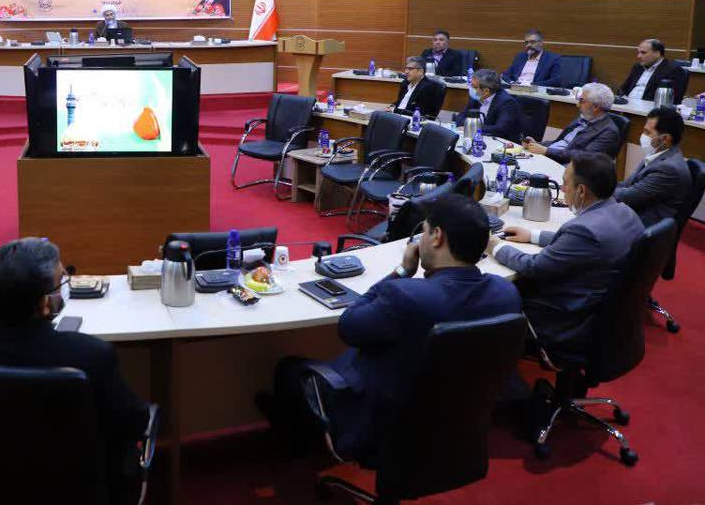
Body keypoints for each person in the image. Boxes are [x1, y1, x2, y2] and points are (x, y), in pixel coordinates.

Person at [264, 194, 521, 464]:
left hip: (381, 428)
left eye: (424, 231)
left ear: (437, 237)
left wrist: (402, 272)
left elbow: (348, 325)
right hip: (458, 426)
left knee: (289, 369)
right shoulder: (505, 293)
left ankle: (296, 451)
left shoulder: (406, 296)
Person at [0, 238, 151, 502]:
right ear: (45, 303)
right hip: (81, 489)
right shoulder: (90, 354)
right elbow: (133, 424)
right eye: (62, 281)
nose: (66, 286)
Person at [490, 151, 644, 364]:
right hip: (604, 317)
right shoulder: (626, 213)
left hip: (566, 318)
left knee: (498, 290)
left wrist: (495, 246)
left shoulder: (583, 230)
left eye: (565, 183)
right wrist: (533, 235)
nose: (562, 189)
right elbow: (580, 244)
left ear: (581, 190)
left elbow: (534, 267)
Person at [614, 106, 692, 227]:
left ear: (665, 138)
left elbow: (628, 197)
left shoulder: (669, 168)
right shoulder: (656, 154)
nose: (642, 136)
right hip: (634, 210)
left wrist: (596, 191)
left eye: (647, 132)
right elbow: (627, 184)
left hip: (642, 224)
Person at [522, 82, 622, 163]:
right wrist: (537, 144)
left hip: (569, 170)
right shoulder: (583, 117)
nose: (577, 105)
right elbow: (560, 142)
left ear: (596, 107)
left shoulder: (608, 132)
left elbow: (584, 158)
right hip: (551, 159)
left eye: (582, 101)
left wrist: (547, 151)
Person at [454, 68, 523, 142]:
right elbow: (459, 118)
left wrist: (471, 127)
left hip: (501, 142)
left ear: (486, 91)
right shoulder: (476, 97)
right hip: (478, 138)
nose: (470, 88)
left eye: (474, 86)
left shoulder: (507, 103)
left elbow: (500, 129)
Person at [617, 38, 688, 103]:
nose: (638, 56)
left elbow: (674, 99)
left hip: (649, 109)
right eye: (638, 52)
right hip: (627, 106)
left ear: (657, 53)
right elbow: (623, 89)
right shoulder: (638, 67)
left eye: (643, 53)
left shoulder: (673, 70)